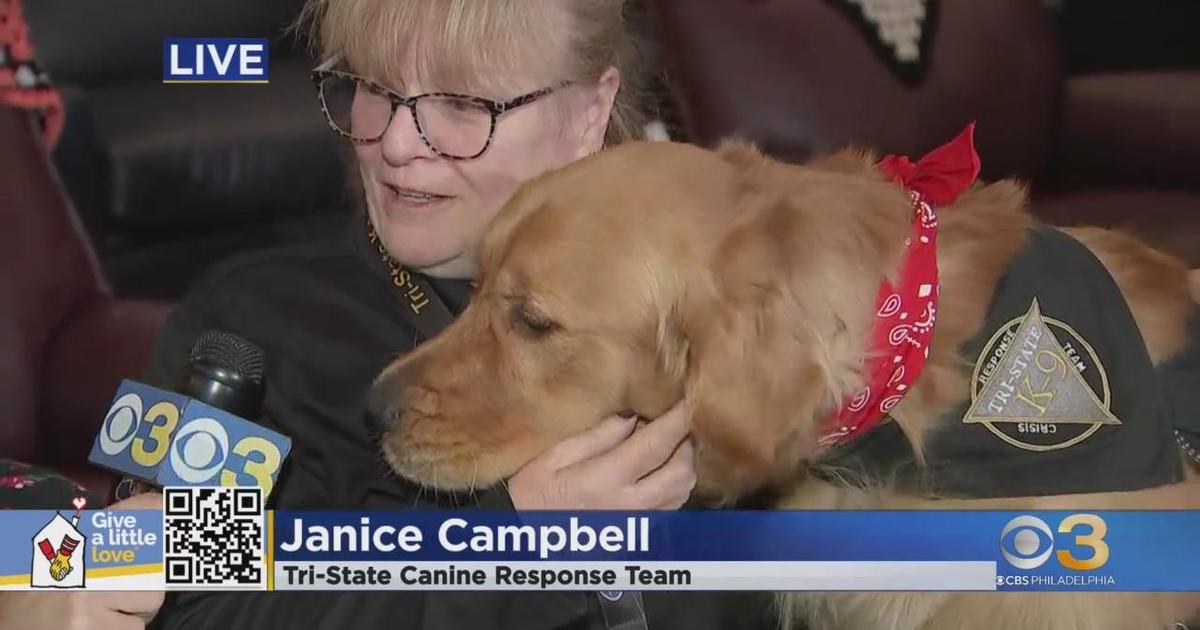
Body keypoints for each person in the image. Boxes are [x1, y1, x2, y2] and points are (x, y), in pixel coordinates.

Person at [2, 0, 774, 628]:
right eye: (377, 89)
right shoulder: (250, 335)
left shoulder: (712, 313)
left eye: (463, 103)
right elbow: (194, 610)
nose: (397, 143)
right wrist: (505, 545)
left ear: (589, 110)